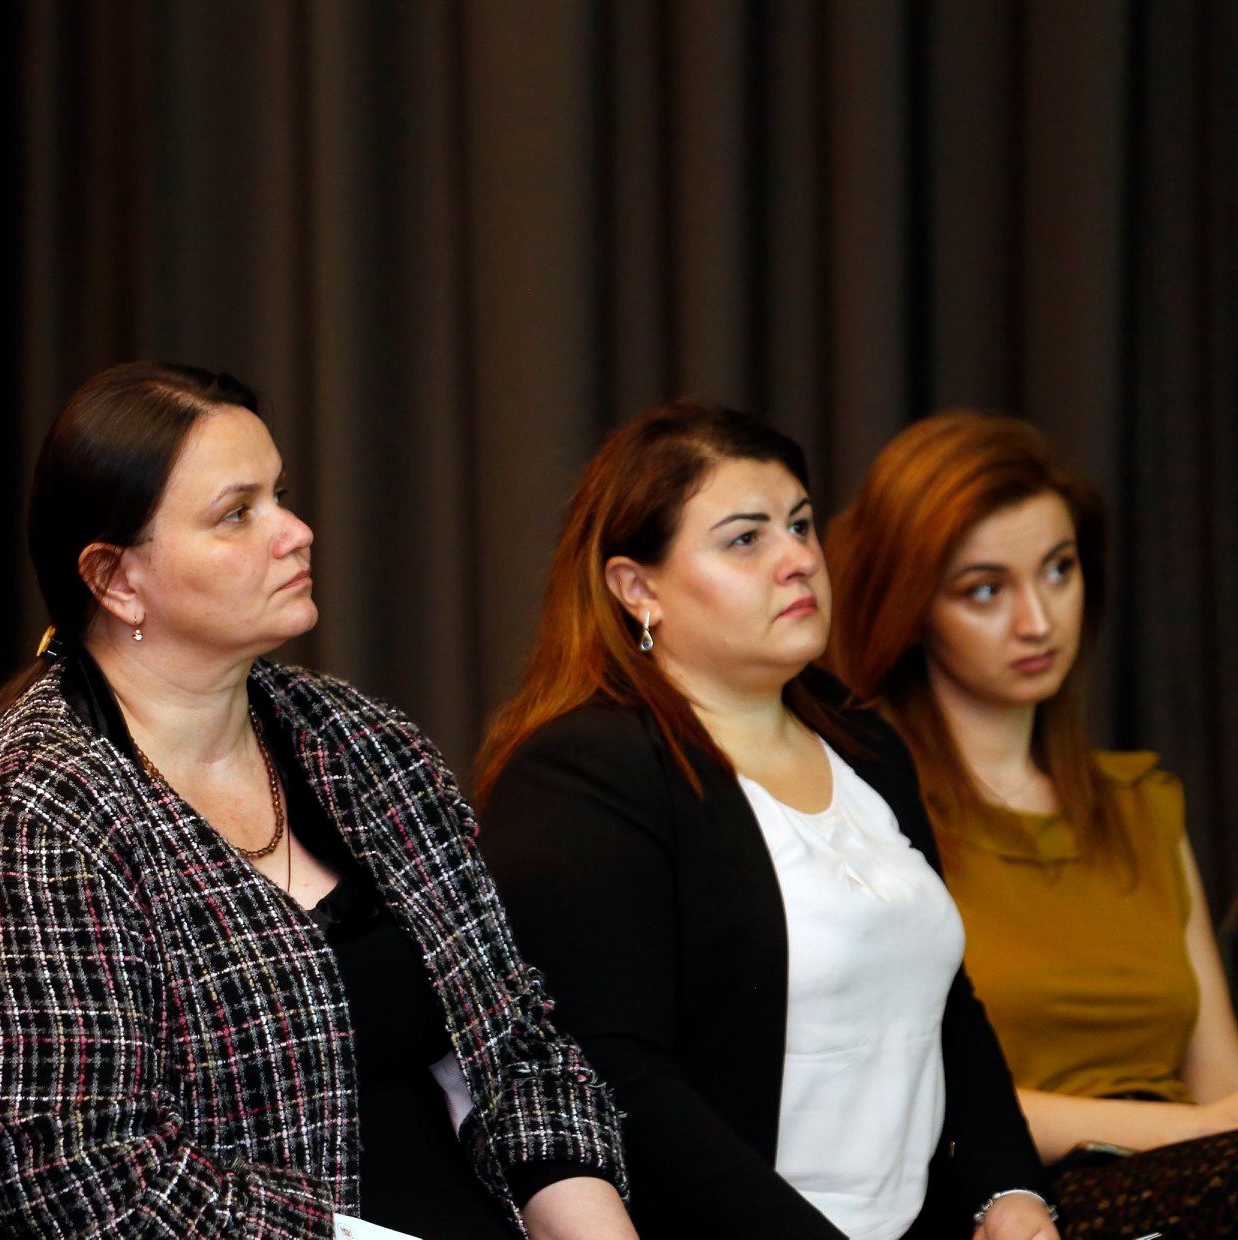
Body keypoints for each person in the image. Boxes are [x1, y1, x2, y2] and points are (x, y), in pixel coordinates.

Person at [0, 362, 633, 1238]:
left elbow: (516, 1047)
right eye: (238, 514)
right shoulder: (25, 821)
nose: (297, 533)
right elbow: (87, 1183)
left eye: (281, 497)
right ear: (116, 580)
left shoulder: (359, 741)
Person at [474, 400, 1058, 1240]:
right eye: (746, 539)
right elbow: (615, 1076)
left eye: (801, 525)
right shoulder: (581, 774)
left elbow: (948, 1008)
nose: (799, 561)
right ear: (638, 589)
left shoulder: (863, 741)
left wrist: (1009, 1194)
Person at [825, 410, 1238, 1238]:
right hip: (1010, 1201)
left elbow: (1220, 1085)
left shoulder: (1141, 803)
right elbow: (911, 1095)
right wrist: (1188, 1133)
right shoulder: (864, 809)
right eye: (985, 589)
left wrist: (1205, 1134)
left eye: (1058, 570)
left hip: (1201, 1189)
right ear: (912, 605)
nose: (1038, 620)